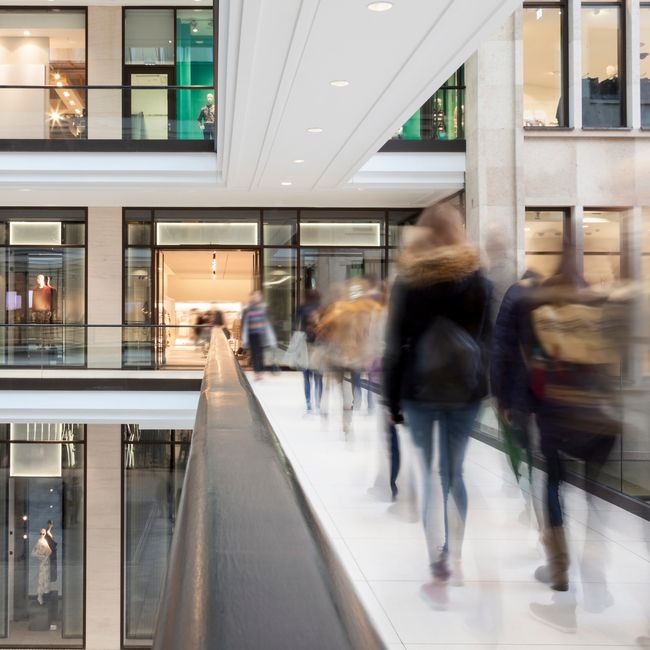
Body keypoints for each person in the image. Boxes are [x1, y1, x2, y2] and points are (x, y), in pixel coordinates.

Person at [383, 202, 492, 584]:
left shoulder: (409, 280)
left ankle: (436, 558)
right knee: (453, 473)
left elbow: (395, 344)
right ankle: (456, 553)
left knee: (428, 474)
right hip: (465, 390)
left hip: (419, 389)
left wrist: (390, 400)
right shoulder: (478, 278)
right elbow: (487, 341)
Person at [523, 247, 625, 594]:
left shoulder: (544, 318)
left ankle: (559, 566)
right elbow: (614, 364)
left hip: (558, 415)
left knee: (553, 485)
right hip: (600, 417)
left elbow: (537, 370)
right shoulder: (600, 314)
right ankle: (595, 564)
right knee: (595, 496)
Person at [491, 269, 543, 524]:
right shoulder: (549, 295)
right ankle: (545, 517)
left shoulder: (514, 295)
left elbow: (500, 347)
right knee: (543, 456)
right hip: (551, 391)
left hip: (521, 389)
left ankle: (533, 506)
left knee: (523, 447)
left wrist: (499, 393)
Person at [294, 289, 323, 413]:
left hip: (305, 345)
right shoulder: (322, 308)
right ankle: (318, 404)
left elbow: (295, 326)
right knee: (319, 377)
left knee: (306, 377)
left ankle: (308, 404)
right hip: (319, 346)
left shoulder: (301, 308)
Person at [241, 291, 276, 380]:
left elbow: (269, 323)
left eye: (258, 296)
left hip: (262, 335)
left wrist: (271, 337)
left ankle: (260, 371)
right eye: (254, 296)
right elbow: (244, 324)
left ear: (261, 297)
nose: (256, 297)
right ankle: (257, 372)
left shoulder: (264, 308)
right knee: (254, 354)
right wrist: (244, 337)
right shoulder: (247, 309)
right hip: (251, 335)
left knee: (260, 354)